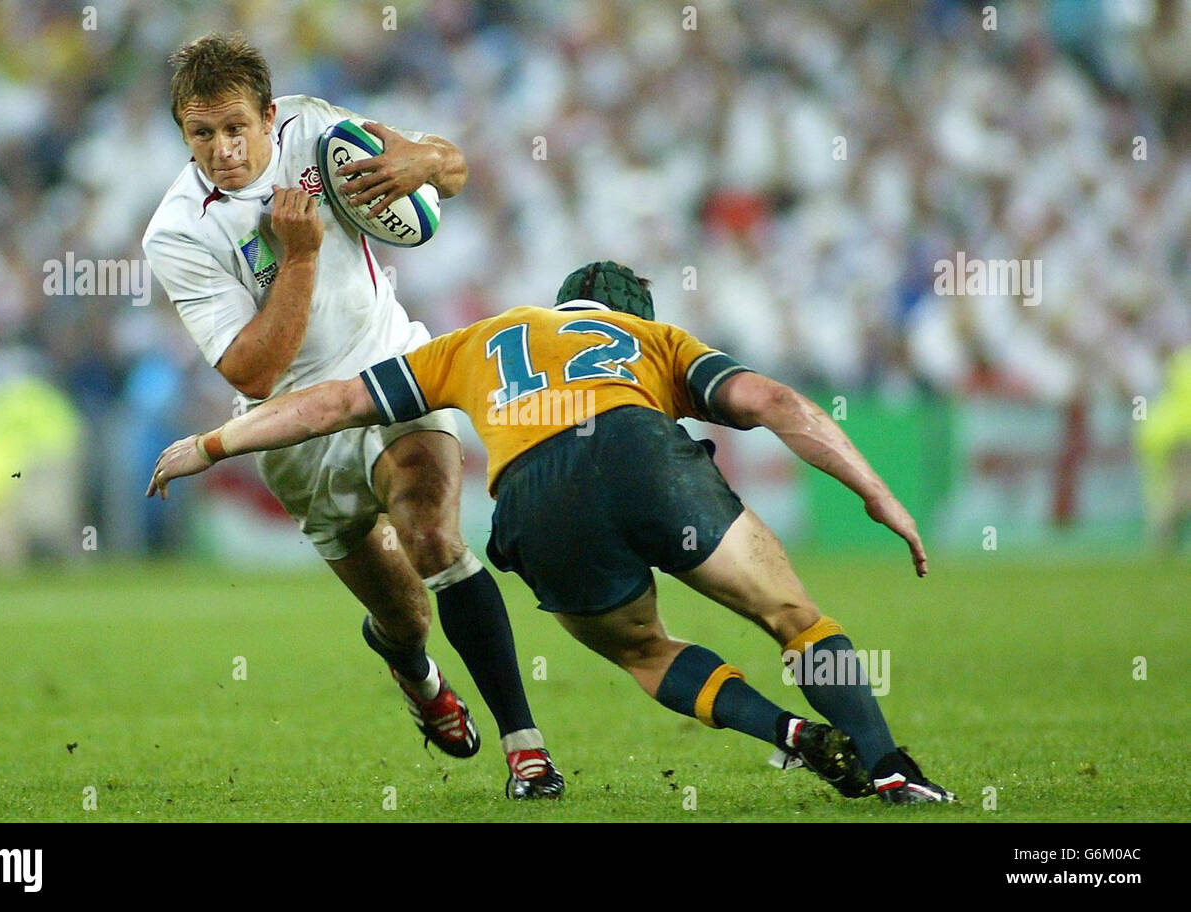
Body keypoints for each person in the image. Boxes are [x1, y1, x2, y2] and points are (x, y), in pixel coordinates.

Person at [149, 261, 955, 804]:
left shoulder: (478, 342)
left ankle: (783, 730)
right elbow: (774, 403)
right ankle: (891, 770)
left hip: (534, 496)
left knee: (643, 650)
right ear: (631, 317)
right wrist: (876, 492)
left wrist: (213, 444)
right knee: (792, 618)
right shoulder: (653, 341)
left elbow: (331, 404)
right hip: (643, 455)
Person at [141, 33, 561, 799]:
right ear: (182, 133)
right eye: (201, 134)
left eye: (236, 127)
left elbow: (454, 171)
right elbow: (255, 371)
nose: (223, 149)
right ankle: (413, 671)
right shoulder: (177, 232)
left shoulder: (318, 130)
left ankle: (526, 750)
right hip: (294, 428)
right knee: (405, 616)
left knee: (434, 535)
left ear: (269, 116)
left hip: (392, 367)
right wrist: (297, 257)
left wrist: (425, 164)